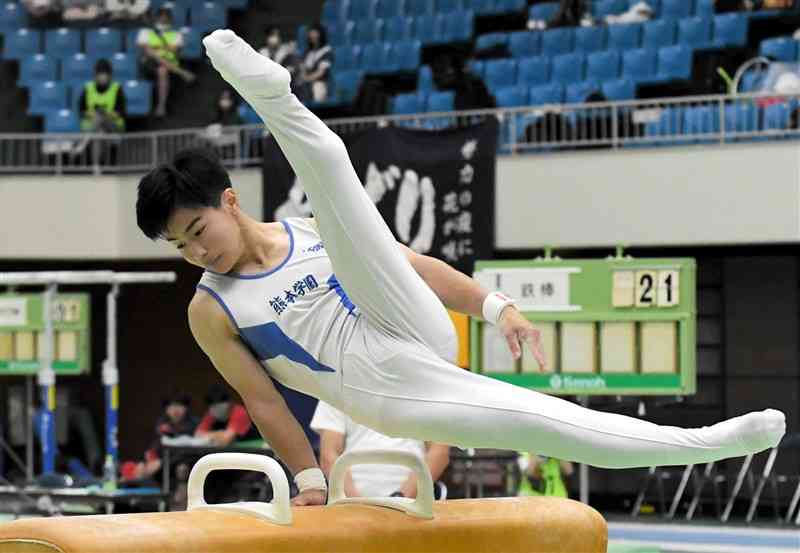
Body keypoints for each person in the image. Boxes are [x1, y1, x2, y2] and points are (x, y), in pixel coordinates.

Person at [135, 29, 785, 507]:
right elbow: (262, 398)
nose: (196, 252)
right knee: (542, 419)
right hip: (386, 384)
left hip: (406, 318)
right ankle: (706, 442)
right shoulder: (210, 307)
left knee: (334, 173)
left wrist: (497, 307)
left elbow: (413, 264)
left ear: (228, 200)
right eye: (180, 247)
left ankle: (272, 96)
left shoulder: (302, 229)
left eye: (197, 231)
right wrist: (308, 480)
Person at [311, 400, 450, 498]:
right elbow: (329, 455)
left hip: (414, 505)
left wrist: (402, 498)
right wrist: (356, 504)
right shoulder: (336, 386)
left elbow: (439, 453)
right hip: (350, 506)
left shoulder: (427, 389)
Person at [120, 392, 197, 483]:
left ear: (186, 408)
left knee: (182, 469)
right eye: (171, 406)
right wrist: (144, 462)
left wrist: (161, 462)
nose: (175, 410)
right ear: (166, 409)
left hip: (183, 464)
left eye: (179, 405)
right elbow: (153, 446)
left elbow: (190, 452)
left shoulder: (194, 425)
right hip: (160, 467)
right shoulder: (162, 424)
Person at [137, 6, 195, 117]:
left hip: (169, 63)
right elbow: (145, 50)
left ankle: (161, 106)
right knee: (153, 57)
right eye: (161, 18)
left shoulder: (176, 34)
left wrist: (157, 47)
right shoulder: (145, 32)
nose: (163, 20)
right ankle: (182, 73)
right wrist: (163, 48)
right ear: (157, 18)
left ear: (170, 20)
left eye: (166, 18)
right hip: (148, 64)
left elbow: (175, 49)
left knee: (162, 69)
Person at [194, 384, 260, 446]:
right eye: (214, 406)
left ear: (229, 402)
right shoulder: (211, 413)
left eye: (219, 405)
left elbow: (226, 440)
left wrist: (209, 436)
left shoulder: (240, 412)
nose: (217, 409)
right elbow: (197, 435)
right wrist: (220, 433)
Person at [78, 58, 126, 133]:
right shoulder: (87, 88)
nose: (102, 77)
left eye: (105, 74)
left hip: (112, 126)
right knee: (98, 124)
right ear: (95, 75)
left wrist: (106, 116)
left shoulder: (117, 89)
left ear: (110, 75)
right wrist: (94, 116)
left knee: (102, 123)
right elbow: (81, 112)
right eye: (100, 74)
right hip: (91, 126)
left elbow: (121, 112)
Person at [297, 23, 332, 103]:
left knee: (317, 87)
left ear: (320, 35)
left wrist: (306, 79)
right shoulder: (307, 52)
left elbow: (321, 73)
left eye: (315, 34)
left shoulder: (327, 51)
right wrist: (302, 77)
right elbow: (302, 69)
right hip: (306, 83)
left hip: (320, 83)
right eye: (311, 34)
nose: (312, 36)